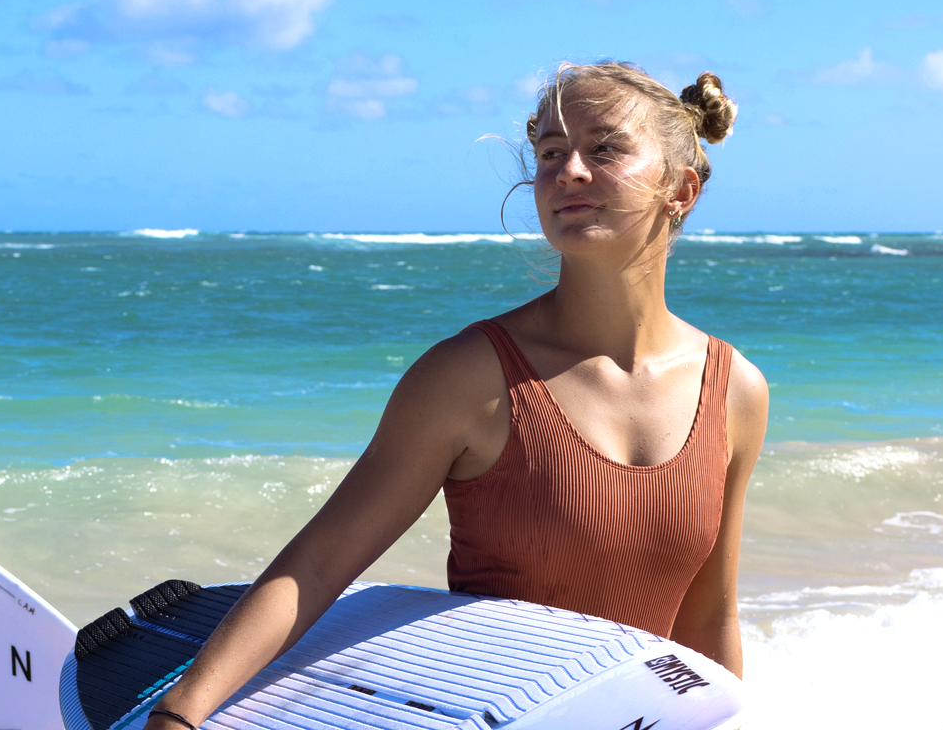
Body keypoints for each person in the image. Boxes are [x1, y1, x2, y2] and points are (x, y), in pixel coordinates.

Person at [145, 61, 769, 730]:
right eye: (551, 154)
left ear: (683, 189)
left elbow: (710, 616)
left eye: (605, 147)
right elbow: (319, 566)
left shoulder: (734, 389)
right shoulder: (468, 378)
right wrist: (180, 715)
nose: (570, 172)